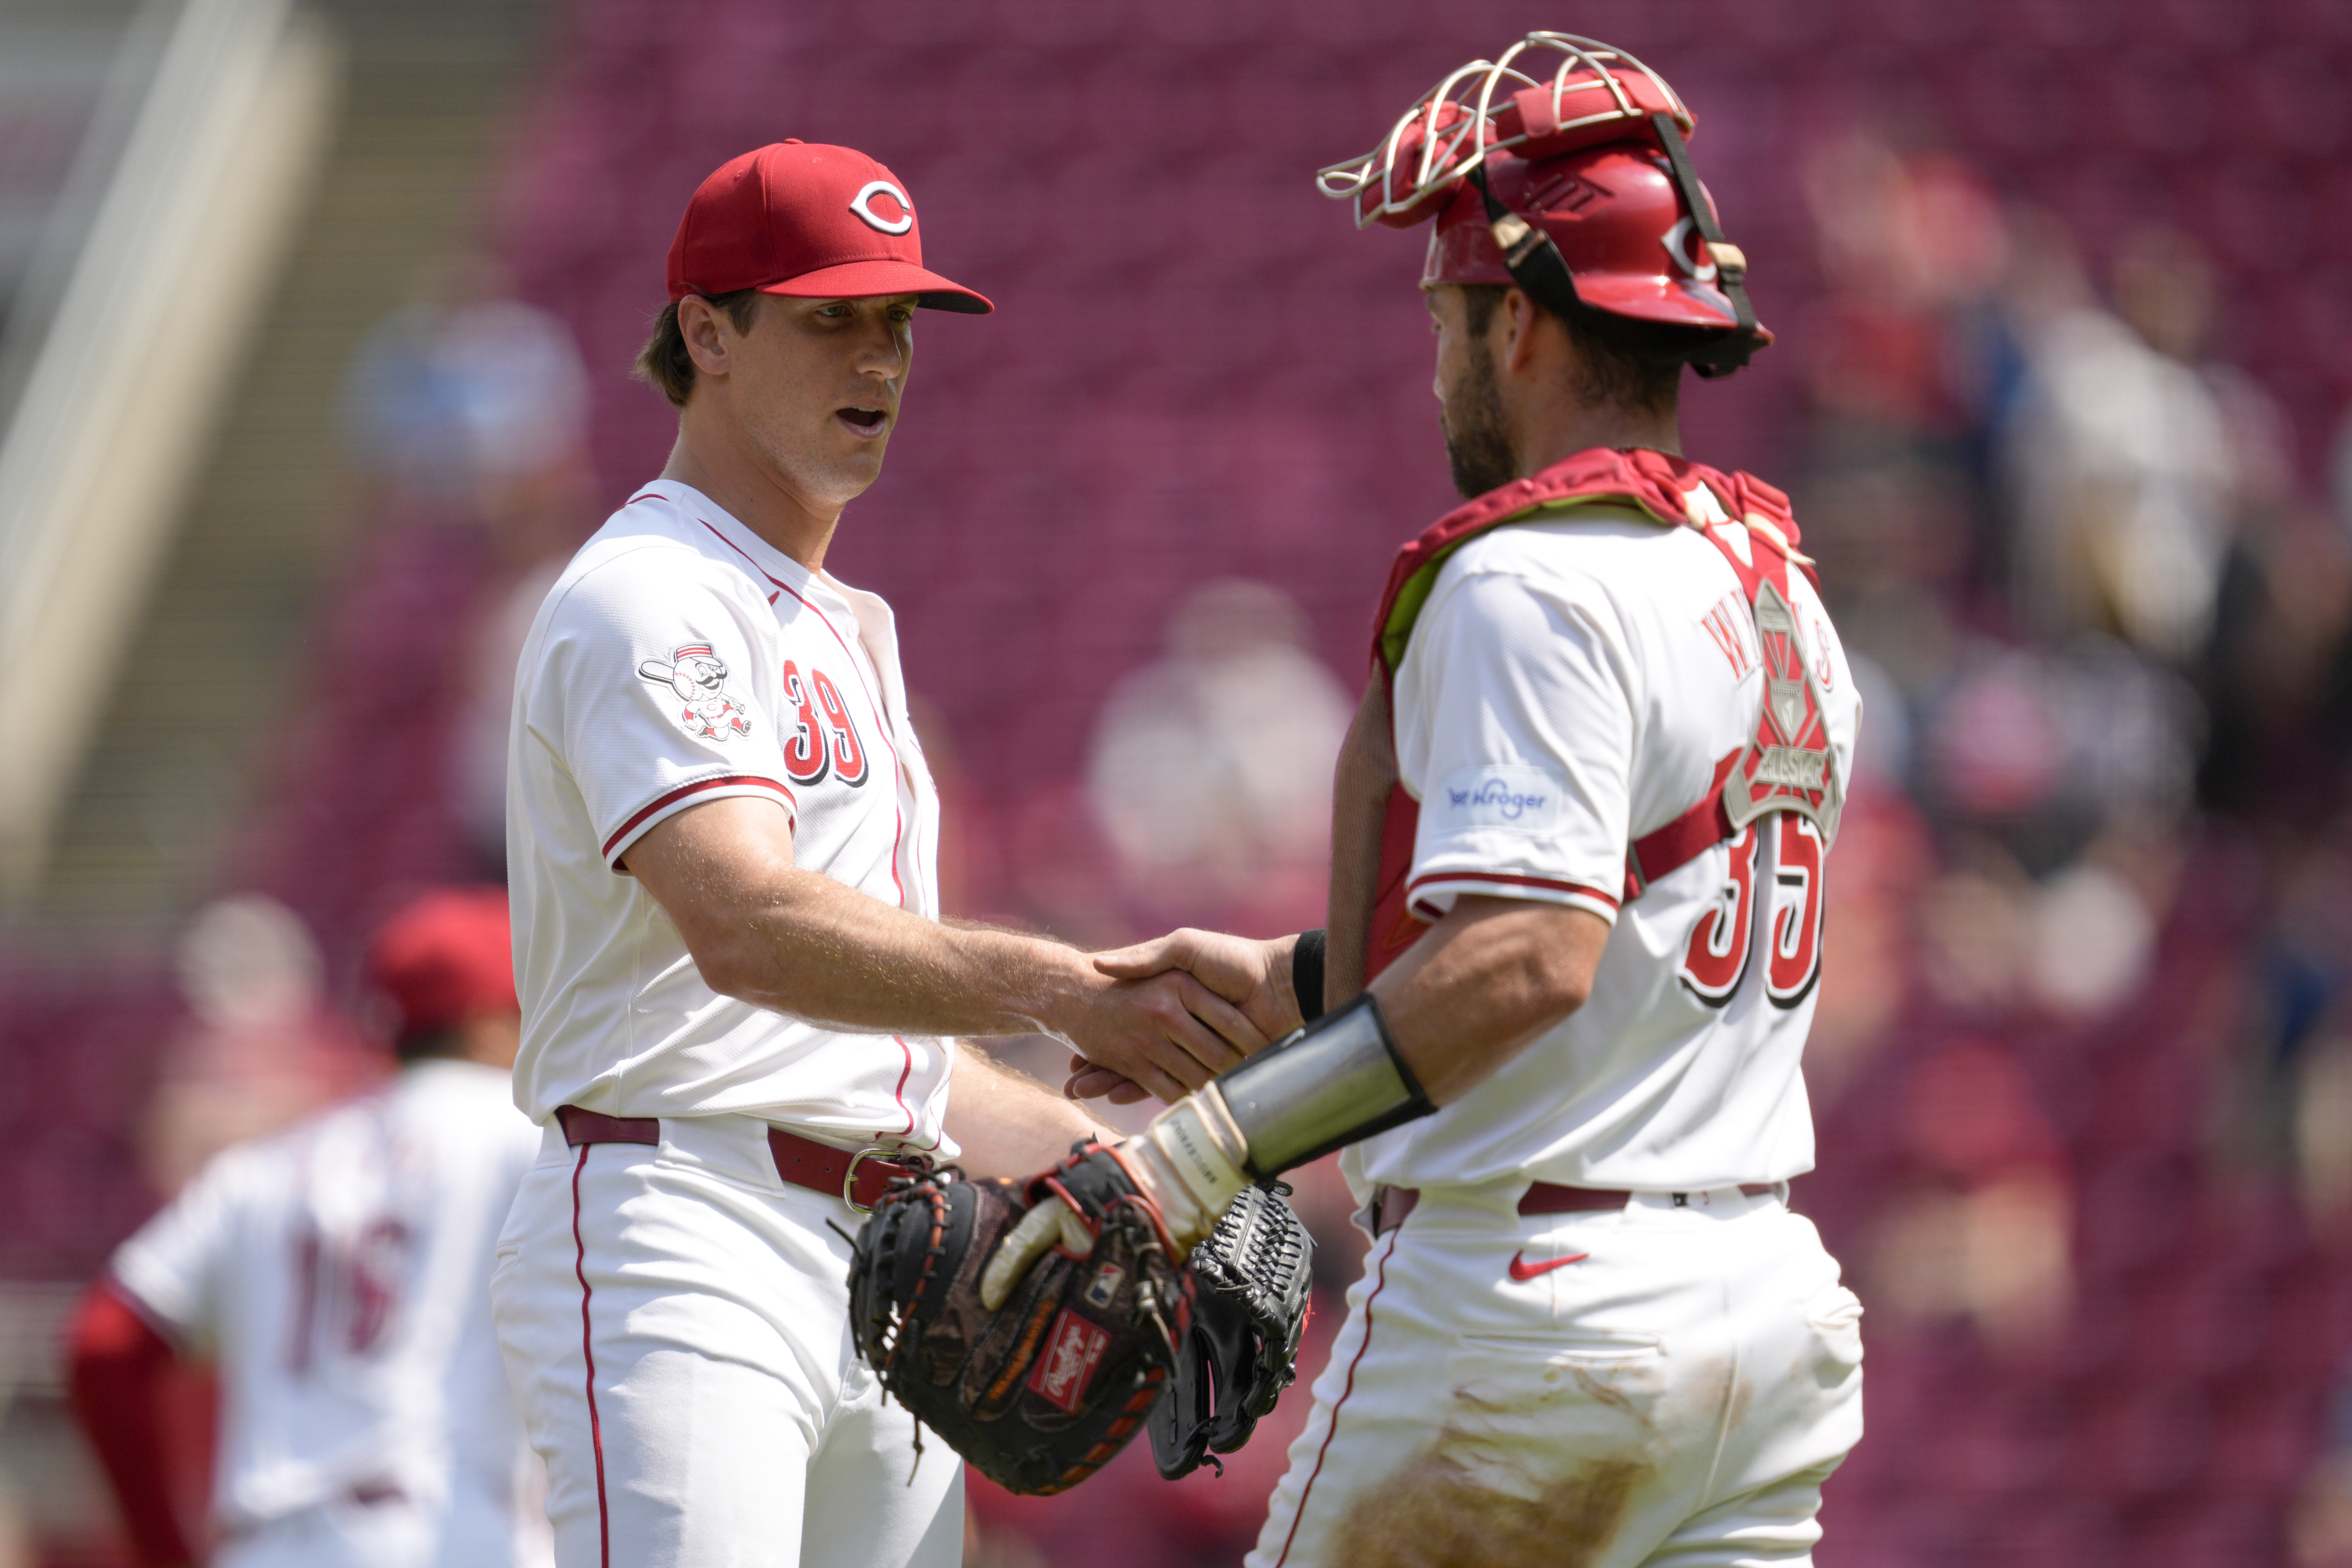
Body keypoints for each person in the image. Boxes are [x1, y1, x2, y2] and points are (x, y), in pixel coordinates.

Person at [1005, 35, 1868, 1568]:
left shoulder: (1524, 575)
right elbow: (1619, 939)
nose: (1434, 362)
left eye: (1444, 315)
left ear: (1521, 326)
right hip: (1763, 1308)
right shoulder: (1772, 576)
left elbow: (1533, 957)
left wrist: (1193, 1152)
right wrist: (1295, 989)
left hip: (1530, 1315)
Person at [486, 141, 1266, 1568]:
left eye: (899, 319)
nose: (882, 357)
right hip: (687, 1225)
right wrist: (1062, 987)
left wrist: (1141, 1177)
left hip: (897, 1255)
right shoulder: (652, 593)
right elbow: (748, 924)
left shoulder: (843, 624)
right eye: (831, 315)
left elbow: (872, 1056)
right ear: (708, 332)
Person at [68, 888, 549, 1568]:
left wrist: (163, 1550)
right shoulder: (524, 1134)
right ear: (490, 1023)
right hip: (448, 1531)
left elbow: (104, 1344)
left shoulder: (263, 1169)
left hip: (268, 1543)